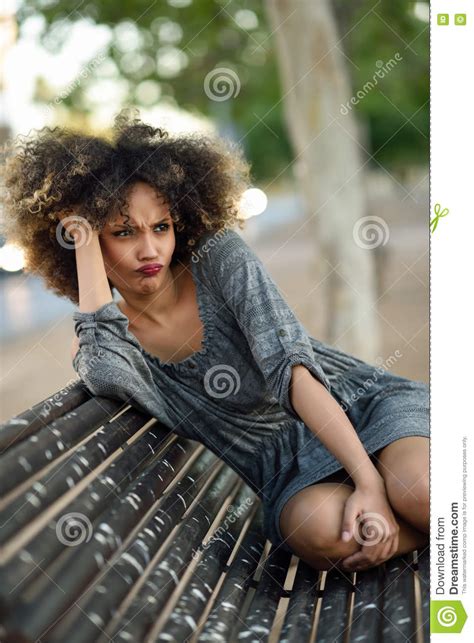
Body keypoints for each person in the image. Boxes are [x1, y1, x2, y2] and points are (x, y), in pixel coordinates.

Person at [2, 109, 429, 573]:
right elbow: (104, 368)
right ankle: (420, 526)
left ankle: (412, 512)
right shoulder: (106, 345)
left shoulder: (218, 258)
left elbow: (293, 371)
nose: (149, 250)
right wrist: (83, 242)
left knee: (422, 490)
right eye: (122, 233)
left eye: (160, 227)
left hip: (359, 407)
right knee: (331, 533)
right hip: (285, 469)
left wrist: (367, 481)